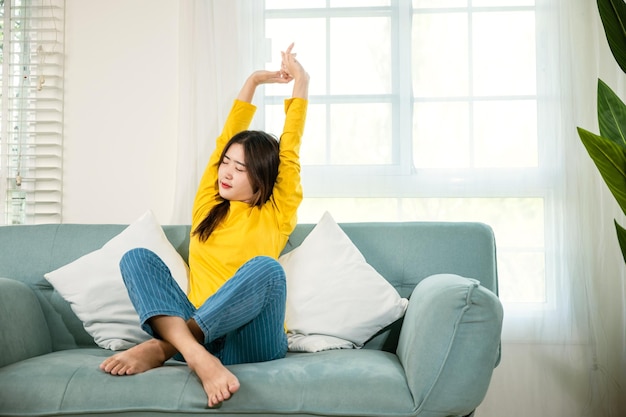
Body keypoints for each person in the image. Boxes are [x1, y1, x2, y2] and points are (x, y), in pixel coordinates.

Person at [99, 43, 309, 408]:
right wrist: (254, 80)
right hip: (201, 342)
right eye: (226, 162)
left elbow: (290, 146)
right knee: (135, 257)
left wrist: (301, 80)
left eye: (240, 168)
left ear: (262, 180)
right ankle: (197, 355)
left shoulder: (276, 211)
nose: (226, 172)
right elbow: (227, 135)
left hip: (252, 340)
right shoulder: (209, 204)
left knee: (267, 270)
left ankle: (167, 345)